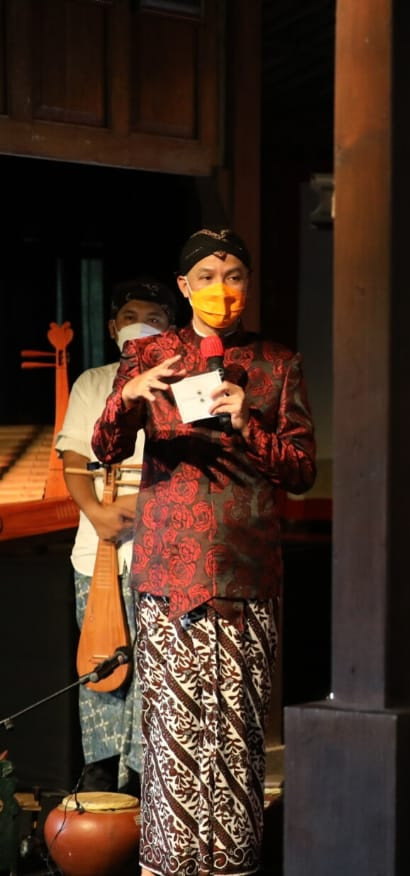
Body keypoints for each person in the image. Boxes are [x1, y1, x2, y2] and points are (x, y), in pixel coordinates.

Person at [92, 228, 316, 876]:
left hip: (246, 574)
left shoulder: (277, 362)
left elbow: (301, 469)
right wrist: (126, 400)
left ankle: (237, 865)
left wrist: (249, 420)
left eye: (235, 276)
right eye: (209, 277)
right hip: (168, 575)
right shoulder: (151, 356)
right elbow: (105, 446)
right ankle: (168, 864)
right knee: (171, 738)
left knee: (239, 737)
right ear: (185, 285)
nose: (223, 290)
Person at [55, 277, 179, 795]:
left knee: (154, 665)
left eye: (152, 315)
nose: (138, 324)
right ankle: (101, 767)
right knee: (101, 659)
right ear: (112, 326)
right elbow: (74, 458)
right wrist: (97, 514)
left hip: (163, 549)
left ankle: (144, 779)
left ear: (170, 330)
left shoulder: (181, 386)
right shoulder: (93, 381)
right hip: (97, 548)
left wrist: (141, 505)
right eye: (129, 314)